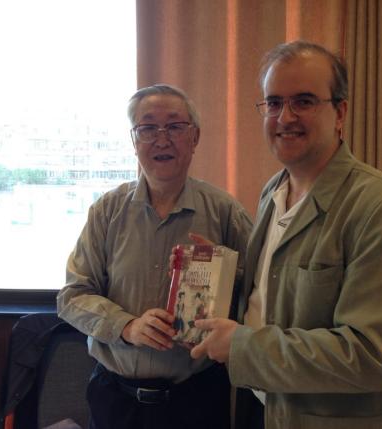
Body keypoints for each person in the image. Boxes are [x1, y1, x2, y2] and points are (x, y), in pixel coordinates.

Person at [190, 41, 382, 429]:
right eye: (274, 103)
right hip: (265, 404)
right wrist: (223, 269)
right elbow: (279, 288)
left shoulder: (381, 207)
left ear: (340, 112)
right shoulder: (274, 190)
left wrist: (242, 346)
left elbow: (372, 356)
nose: (285, 117)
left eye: (303, 101)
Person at [57, 84, 252, 429]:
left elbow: (258, 294)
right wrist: (127, 326)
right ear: (134, 140)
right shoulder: (106, 212)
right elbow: (72, 297)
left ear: (195, 137)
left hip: (197, 399)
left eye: (175, 126)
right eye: (148, 128)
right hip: (116, 399)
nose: (162, 139)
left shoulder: (225, 212)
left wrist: (224, 274)